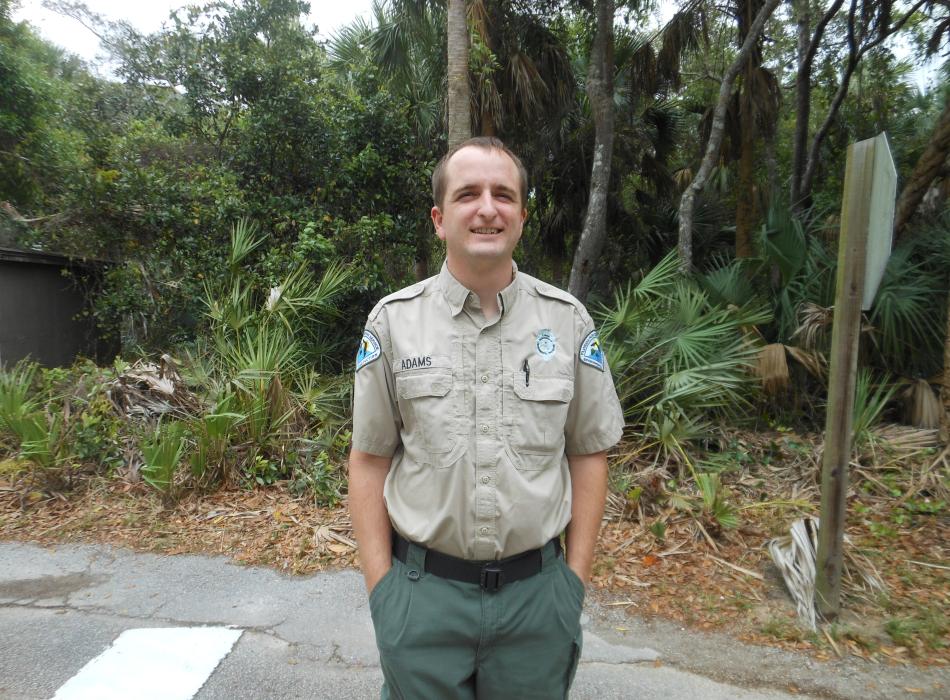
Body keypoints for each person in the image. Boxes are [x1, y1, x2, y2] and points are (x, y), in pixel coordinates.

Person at [348, 136, 624, 699]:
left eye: (503, 194)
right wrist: (383, 592)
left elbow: (588, 453)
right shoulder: (393, 324)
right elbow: (369, 460)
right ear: (439, 218)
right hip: (423, 600)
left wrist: (571, 585)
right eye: (467, 193)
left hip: (537, 603)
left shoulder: (566, 322)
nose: (487, 208)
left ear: (522, 215)